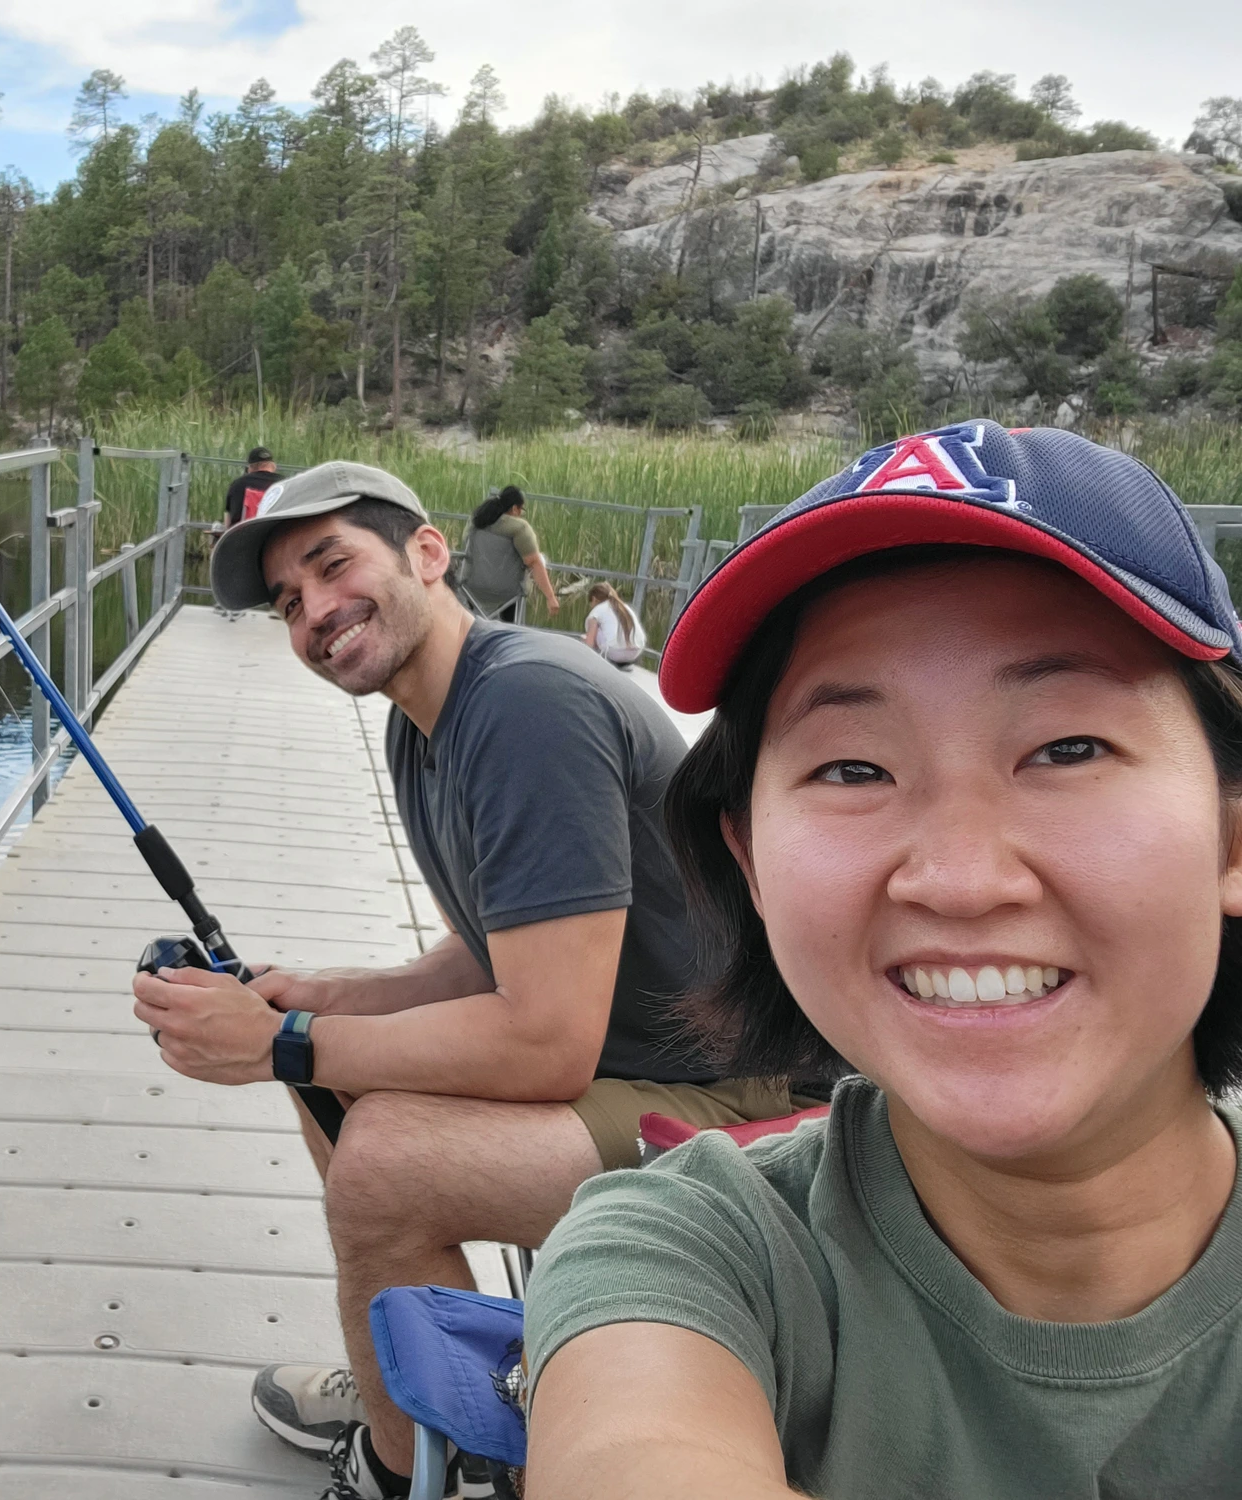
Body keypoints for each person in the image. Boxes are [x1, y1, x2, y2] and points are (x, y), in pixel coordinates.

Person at [523, 420, 1242, 1499]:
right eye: (853, 768)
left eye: (1065, 749)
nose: (957, 879)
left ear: (1232, 838)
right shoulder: (689, 1255)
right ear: (750, 863)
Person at [130, 461, 821, 1499]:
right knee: (333, 1079)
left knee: (382, 1165)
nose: (315, 611)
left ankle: (400, 1465)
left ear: (426, 552)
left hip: (763, 1098)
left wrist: (277, 1042)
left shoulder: (523, 704)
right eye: (287, 602)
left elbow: (544, 1043)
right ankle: (405, 1389)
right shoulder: (422, 721)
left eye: (332, 565)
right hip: (655, 1062)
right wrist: (315, 997)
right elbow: (496, 952)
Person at [460, 485, 557, 622]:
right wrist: (551, 597)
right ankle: (509, 630)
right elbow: (533, 562)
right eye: (521, 510)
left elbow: (465, 545)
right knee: (540, 559)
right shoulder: (519, 528)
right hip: (508, 594)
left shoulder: (476, 522)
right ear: (515, 508)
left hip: (472, 589)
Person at [582, 581, 645, 668]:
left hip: (615, 652)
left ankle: (601, 658)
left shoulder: (597, 611)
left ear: (594, 599)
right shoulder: (625, 607)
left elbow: (590, 643)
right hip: (636, 652)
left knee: (589, 634)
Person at [223, 446, 283, 529]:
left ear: (250, 468)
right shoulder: (284, 484)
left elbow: (228, 522)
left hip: (244, 534)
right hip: (277, 533)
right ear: (273, 466)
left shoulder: (238, 485)